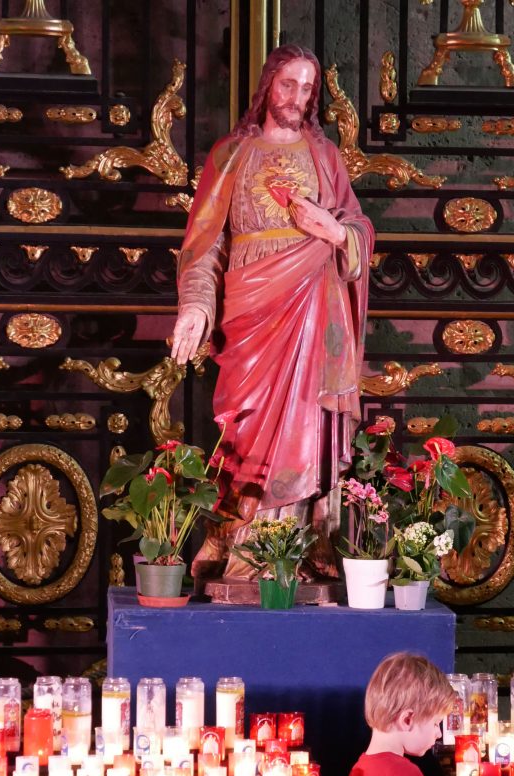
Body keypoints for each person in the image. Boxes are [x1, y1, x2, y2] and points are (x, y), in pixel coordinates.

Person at [169, 44, 374, 581]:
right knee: (248, 432)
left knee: (308, 425)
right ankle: (246, 550)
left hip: (314, 307)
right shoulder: (230, 154)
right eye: (289, 84)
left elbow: (358, 229)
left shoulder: (325, 156)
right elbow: (204, 245)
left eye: (308, 88)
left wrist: (332, 231)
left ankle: (303, 549)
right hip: (252, 316)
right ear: (267, 86)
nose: (297, 97)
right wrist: (194, 306)